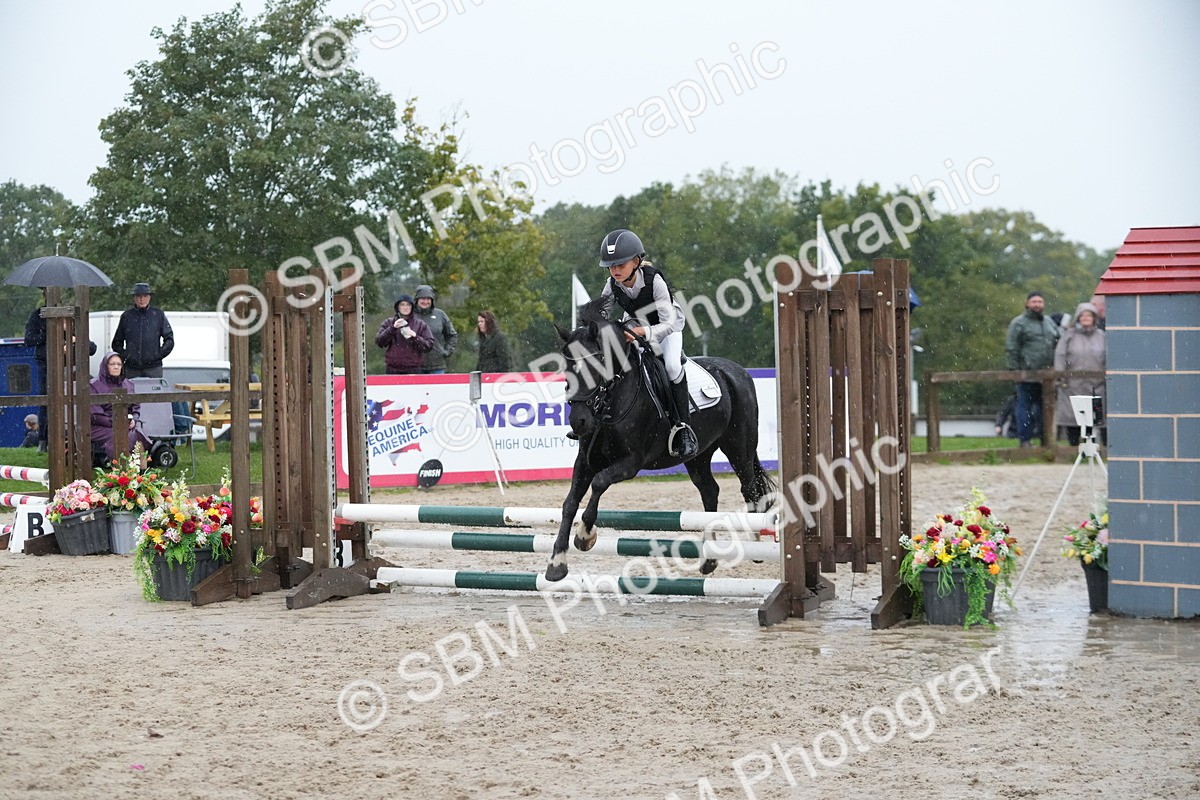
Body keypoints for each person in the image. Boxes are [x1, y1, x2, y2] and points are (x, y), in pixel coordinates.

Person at [597, 228, 698, 459]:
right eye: (611, 266)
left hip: (668, 328)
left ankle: (683, 429)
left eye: (620, 265)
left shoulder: (655, 281)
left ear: (636, 261)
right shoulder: (612, 285)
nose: (615, 271)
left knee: (672, 366)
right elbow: (601, 313)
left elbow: (668, 323)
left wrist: (643, 331)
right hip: (636, 328)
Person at [24, 289, 98, 453]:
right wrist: (51, 332)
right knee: (47, 402)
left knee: (74, 401)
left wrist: (74, 338)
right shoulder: (37, 315)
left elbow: (91, 347)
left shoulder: (71, 316)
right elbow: (29, 340)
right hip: (47, 365)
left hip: (70, 367)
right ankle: (44, 440)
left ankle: (77, 438)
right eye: (46, 292)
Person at [1005, 291, 1060, 448]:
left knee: (1045, 408)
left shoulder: (1049, 322)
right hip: (1026, 374)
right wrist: (1015, 371)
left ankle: (1046, 441)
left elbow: (1058, 341)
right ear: (1027, 303)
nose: (1037, 304)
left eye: (1040, 302)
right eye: (1034, 301)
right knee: (1024, 408)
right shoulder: (1019, 323)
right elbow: (1011, 348)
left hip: (1047, 375)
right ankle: (1025, 440)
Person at [1054, 301, 1106, 446]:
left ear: (1094, 318)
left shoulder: (1102, 336)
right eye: (1083, 315)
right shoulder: (1068, 336)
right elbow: (1060, 356)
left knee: (1093, 416)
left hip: (1097, 385)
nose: (1086, 318)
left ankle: (1092, 447)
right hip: (1072, 385)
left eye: (1089, 315)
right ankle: (1073, 448)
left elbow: (1108, 357)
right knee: (1073, 417)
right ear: (1078, 318)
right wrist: (1060, 377)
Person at [90, 351, 151, 463]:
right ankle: (121, 472)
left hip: (127, 424)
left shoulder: (129, 384)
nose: (116, 367)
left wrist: (134, 419)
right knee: (120, 437)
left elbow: (136, 407)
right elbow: (95, 413)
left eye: (119, 364)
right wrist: (117, 423)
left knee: (138, 435)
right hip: (101, 426)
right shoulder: (93, 385)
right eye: (112, 364)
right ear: (105, 366)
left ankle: (141, 474)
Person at [111, 282, 174, 378]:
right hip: (131, 369)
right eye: (139, 296)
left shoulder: (158, 315)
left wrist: (158, 355)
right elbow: (116, 343)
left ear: (149, 298)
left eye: (145, 296)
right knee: (131, 392)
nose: (142, 299)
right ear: (134, 298)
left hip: (153, 369)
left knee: (153, 393)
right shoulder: (126, 316)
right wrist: (127, 355)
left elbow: (169, 339)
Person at [375, 294, 434, 375]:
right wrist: (392, 328)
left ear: (412, 307)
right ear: (398, 307)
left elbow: (428, 345)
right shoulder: (389, 322)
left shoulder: (420, 324)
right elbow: (380, 342)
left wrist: (415, 337)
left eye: (408, 305)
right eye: (402, 305)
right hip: (393, 369)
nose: (405, 307)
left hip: (414, 369)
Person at [413, 284, 458, 374]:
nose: (425, 301)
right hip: (415, 366)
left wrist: (447, 351)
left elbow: (452, 335)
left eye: (428, 299)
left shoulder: (440, 314)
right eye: (423, 298)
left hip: (437, 366)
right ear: (417, 300)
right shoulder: (410, 316)